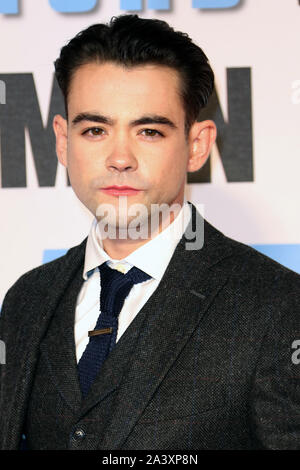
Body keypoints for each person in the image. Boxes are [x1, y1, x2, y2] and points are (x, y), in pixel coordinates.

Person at [0, 14, 300, 451]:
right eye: (96, 130)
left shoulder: (277, 306)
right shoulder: (26, 299)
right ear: (64, 142)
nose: (120, 157)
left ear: (196, 145)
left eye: (150, 131)